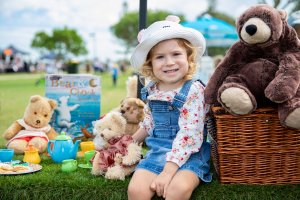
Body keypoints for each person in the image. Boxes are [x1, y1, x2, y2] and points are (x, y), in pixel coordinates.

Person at [128, 15, 212, 200]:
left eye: (176, 54)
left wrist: (167, 173)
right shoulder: (152, 89)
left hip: (190, 154)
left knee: (177, 190)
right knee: (136, 191)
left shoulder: (194, 90)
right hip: (158, 151)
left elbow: (190, 135)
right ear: (150, 64)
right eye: (160, 57)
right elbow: (150, 123)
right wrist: (129, 142)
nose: (169, 62)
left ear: (189, 57)